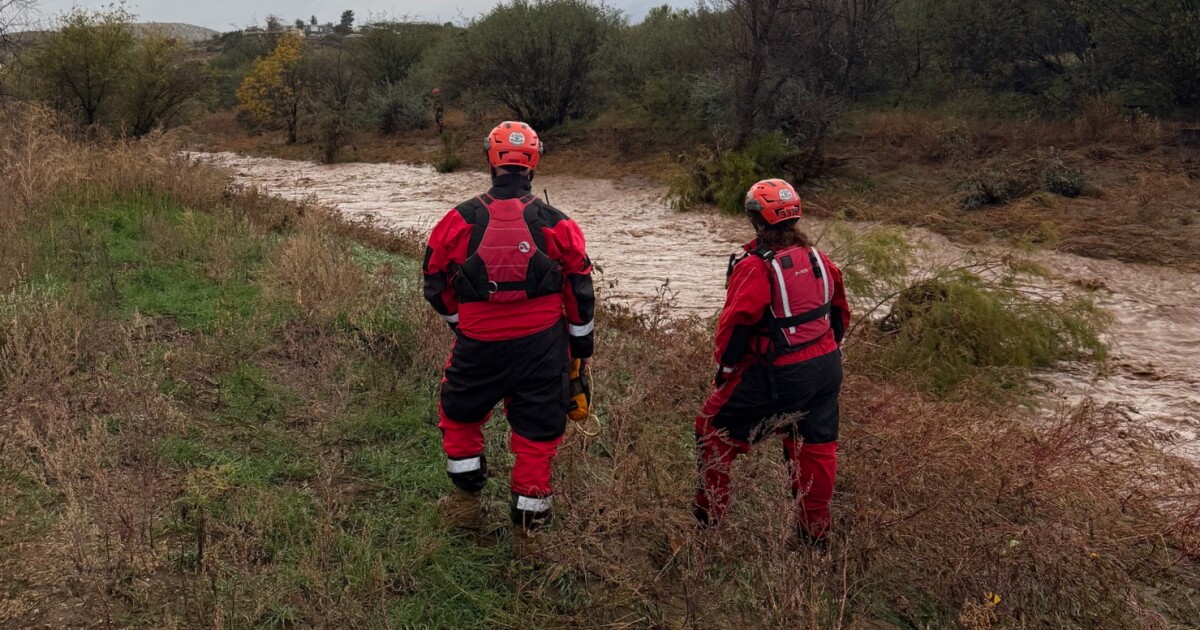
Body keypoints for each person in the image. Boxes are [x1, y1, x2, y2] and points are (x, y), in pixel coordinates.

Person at [422, 121, 595, 557]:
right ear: (533, 163)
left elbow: (434, 282)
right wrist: (580, 352)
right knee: (537, 436)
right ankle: (528, 540)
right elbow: (580, 292)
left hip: (478, 345)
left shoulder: (457, 220)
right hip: (543, 348)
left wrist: (462, 323)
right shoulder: (558, 223)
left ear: (490, 160)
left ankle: (465, 509)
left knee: (460, 417)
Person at [693, 178, 850, 549]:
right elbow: (840, 315)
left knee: (712, 428)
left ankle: (708, 521)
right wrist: (824, 352)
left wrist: (725, 371)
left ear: (755, 219)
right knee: (815, 445)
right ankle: (815, 535)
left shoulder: (755, 266)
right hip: (827, 367)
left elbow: (736, 328)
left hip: (779, 373)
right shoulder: (821, 260)